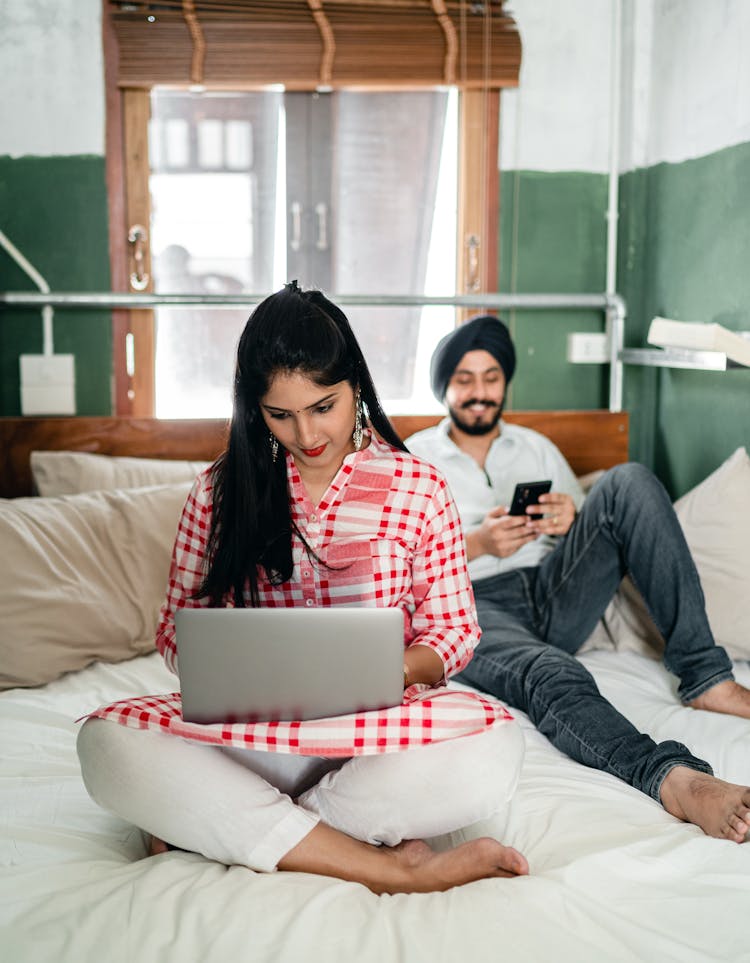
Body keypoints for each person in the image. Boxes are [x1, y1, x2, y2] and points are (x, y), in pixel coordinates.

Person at [77, 286, 528, 895]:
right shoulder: (218, 492)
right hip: (256, 740)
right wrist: (231, 670)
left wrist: (392, 669)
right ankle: (388, 865)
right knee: (107, 743)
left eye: (324, 406)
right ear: (254, 407)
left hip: (376, 738)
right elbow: (176, 630)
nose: (307, 434)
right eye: (280, 414)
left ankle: (230, 828)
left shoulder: (419, 487)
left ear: (357, 388)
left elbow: (454, 632)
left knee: (494, 747)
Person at [406, 314, 750, 844]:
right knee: (551, 669)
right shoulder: (415, 459)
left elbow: (600, 525)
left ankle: (707, 678)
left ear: (505, 384)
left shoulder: (535, 446)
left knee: (629, 480)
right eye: (465, 379)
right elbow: (399, 568)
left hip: (551, 587)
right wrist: (476, 543)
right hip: (471, 606)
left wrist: (573, 518)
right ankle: (673, 779)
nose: (479, 393)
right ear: (444, 387)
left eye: (491, 378)